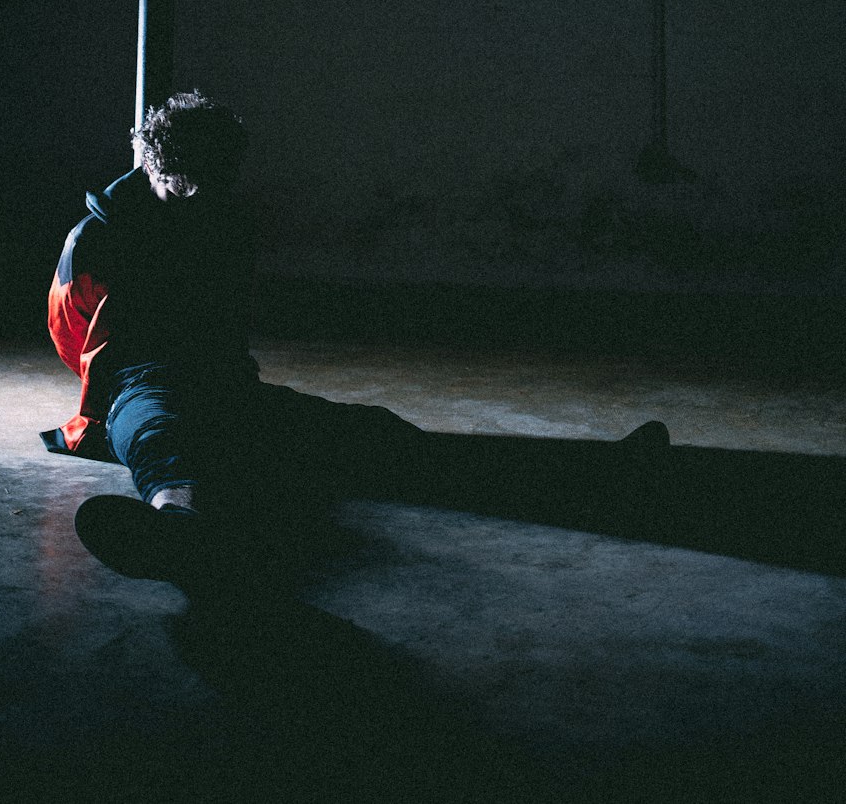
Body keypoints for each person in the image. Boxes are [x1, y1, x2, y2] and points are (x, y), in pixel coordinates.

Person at [44, 90, 671, 593]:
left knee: (374, 434)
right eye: (190, 182)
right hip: (135, 380)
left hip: (217, 380)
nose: (207, 193)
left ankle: (603, 475)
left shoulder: (222, 212)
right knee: (162, 433)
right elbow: (71, 331)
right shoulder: (100, 236)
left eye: (218, 179)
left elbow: (229, 311)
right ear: (156, 168)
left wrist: (223, 374)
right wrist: (131, 387)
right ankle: (177, 528)